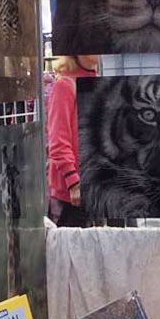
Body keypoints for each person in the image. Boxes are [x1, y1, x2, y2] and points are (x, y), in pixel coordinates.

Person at [46, 54, 97, 227]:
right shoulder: (65, 85)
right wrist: (73, 181)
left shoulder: (102, 81)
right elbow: (58, 141)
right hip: (73, 195)